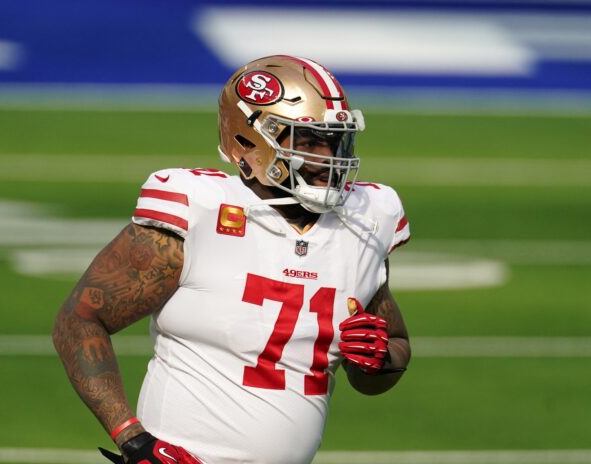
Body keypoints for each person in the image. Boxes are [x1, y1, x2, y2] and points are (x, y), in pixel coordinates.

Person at [52, 55, 411, 464]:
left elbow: (392, 351)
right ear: (248, 143)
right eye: (308, 140)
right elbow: (79, 319)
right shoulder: (199, 211)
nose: (326, 157)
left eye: (333, 140)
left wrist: (379, 359)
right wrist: (134, 440)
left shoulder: (364, 222)